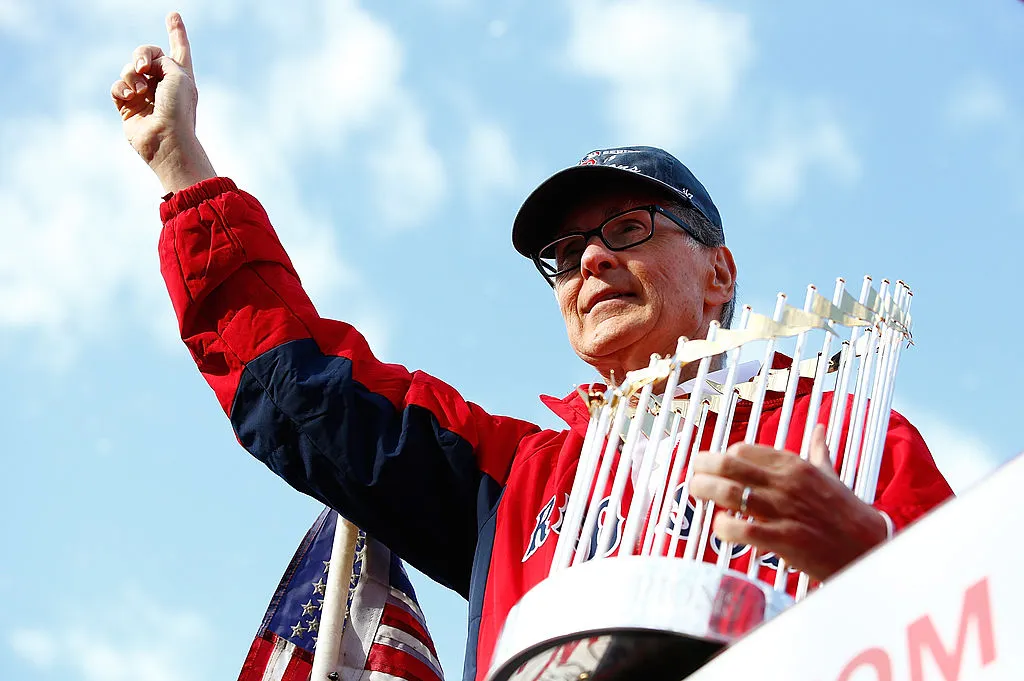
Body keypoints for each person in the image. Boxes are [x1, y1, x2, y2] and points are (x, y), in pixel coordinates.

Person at [112, 13, 953, 681]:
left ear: (719, 273)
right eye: (564, 254)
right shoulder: (514, 477)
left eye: (628, 228)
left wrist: (864, 557)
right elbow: (304, 390)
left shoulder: (852, 436)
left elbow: (976, 625)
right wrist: (183, 171)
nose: (590, 259)